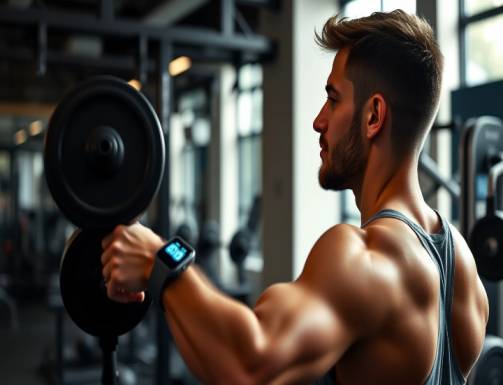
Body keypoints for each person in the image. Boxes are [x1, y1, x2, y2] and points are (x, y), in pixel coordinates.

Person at [101, 9, 489, 385]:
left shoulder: (361, 256)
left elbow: (249, 366)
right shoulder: (464, 267)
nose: (318, 121)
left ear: (373, 117)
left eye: (333, 99)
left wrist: (160, 259)